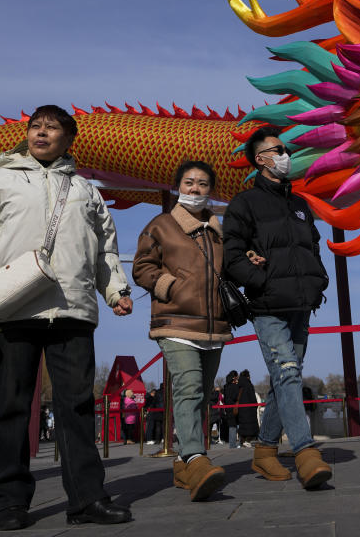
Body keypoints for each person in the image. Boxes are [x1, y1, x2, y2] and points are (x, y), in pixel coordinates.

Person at [0, 104, 134, 529]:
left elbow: (104, 247)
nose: (41, 133)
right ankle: (11, 501)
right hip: (13, 309)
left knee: (78, 406)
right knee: (12, 406)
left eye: (52, 129)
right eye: (36, 127)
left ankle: (86, 500)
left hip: (72, 308)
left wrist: (115, 289)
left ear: (68, 140)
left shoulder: (87, 191)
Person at [223, 126, 332, 489]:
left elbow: (313, 247)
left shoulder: (299, 204)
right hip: (267, 306)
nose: (285, 155)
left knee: (287, 379)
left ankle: (265, 451)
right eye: (278, 150)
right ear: (261, 159)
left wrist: (318, 281)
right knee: (287, 374)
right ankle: (304, 451)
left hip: (302, 304)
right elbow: (231, 253)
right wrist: (258, 281)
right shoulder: (244, 203)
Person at [132, 160, 232, 502]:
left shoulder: (219, 230)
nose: (195, 189)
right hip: (174, 322)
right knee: (188, 387)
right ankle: (194, 456)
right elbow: (141, 267)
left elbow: (229, 269)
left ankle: (181, 465)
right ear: (178, 186)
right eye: (189, 182)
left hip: (214, 326)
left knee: (203, 395)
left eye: (203, 184)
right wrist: (169, 287)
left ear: (210, 190)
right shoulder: (161, 225)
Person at [235, 370, 259, 447]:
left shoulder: (238, 385)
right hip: (250, 410)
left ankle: (242, 441)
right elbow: (253, 398)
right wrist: (255, 406)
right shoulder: (249, 385)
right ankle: (248, 441)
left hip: (241, 410)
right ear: (248, 376)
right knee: (250, 427)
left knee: (243, 426)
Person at [221, 371, 239, 447]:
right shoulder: (234, 386)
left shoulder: (225, 386)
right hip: (234, 407)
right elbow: (235, 397)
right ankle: (233, 444)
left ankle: (231, 444)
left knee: (231, 426)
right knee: (234, 426)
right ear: (234, 378)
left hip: (227, 407)